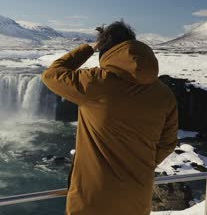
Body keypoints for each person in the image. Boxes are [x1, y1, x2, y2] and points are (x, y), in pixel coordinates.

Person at [41, 21, 178, 215]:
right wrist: (140, 163)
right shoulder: (164, 93)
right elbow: (168, 143)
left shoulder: (96, 82)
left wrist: (89, 48)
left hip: (92, 198)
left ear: (106, 51)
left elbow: (51, 74)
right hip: (137, 195)